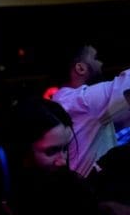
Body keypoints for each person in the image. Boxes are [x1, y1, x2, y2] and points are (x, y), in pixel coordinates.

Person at [52, 44, 130, 177]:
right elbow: (126, 86)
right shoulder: (79, 101)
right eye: (95, 58)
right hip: (88, 192)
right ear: (81, 68)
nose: (101, 63)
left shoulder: (66, 100)